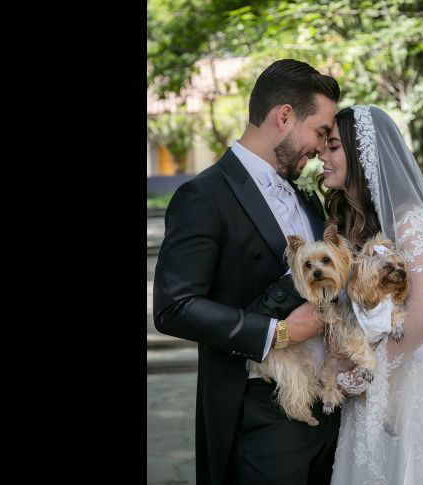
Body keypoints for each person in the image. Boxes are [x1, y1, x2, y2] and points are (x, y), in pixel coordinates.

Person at [153, 59, 341, 485]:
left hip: (330, 408)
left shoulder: (307, 197)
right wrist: (278, 333)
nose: (322, 146)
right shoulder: (203, 195)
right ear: (285, 117)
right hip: (262, 409)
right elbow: (174, 306)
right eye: (321, 132)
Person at [319, 105, 423, 484]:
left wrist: (362, 376)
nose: (322, 154)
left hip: (409, 380)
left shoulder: (408, 219)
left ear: (358, 154)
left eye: (333, 146)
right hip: (367, 386)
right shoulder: (351, 223)